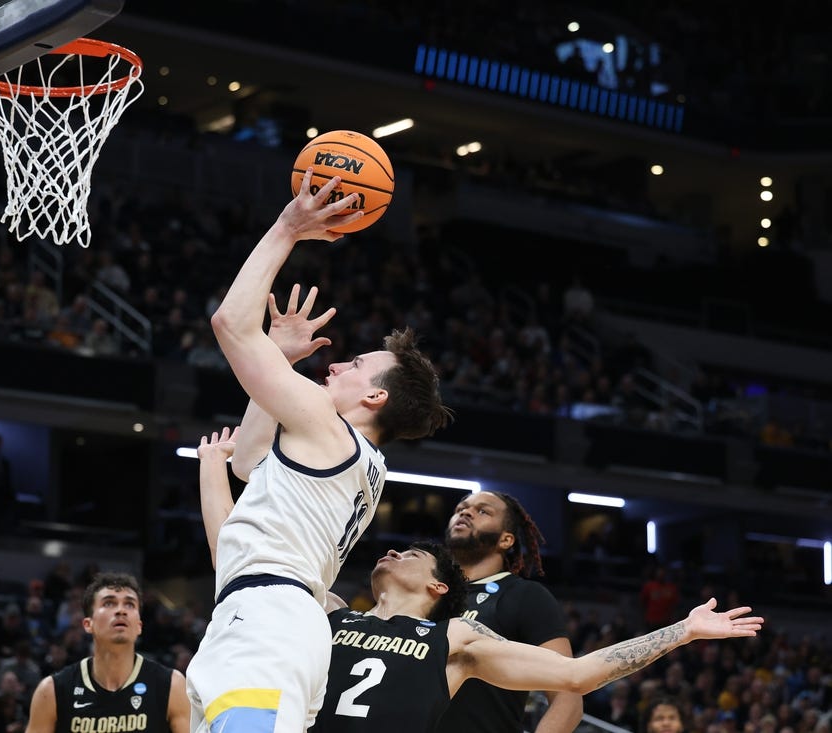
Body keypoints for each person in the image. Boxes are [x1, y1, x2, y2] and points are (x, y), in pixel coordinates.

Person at [197, 432, 764, 733]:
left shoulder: (458, 640)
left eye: (413, 552)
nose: (392, 548)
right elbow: (241, 559)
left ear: (441, 586)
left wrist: (683, 632)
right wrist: (211, 468)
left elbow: (576, 675)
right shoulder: (328, 614)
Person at [186, 173, 451, 733]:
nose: (333, 364)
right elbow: (246, 461)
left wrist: (289, 227)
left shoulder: (328, 431)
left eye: (354, 366)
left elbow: (231, 324)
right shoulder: (354, 458)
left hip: (269, 624)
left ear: (375, 397)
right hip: (275, 623)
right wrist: (278, 356)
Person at [436, 490, 583, 733]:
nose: (465, 512)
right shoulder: (426, 594)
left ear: (506, 540)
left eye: (483, 511)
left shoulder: (524, 595)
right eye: (460, 508)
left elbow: (567, 696)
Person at [24, 572, 190, 733]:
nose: (121, 610)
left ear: (139, 626)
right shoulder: (52, 690)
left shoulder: (171, 685)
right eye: (109, 603)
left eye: (130, 604)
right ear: (88, 624)